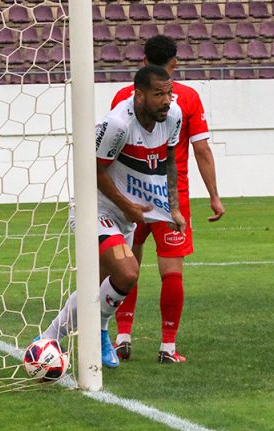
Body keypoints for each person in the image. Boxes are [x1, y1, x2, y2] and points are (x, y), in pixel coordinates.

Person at [39, 65, 185, 368]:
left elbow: (169, 160)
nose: (166, 101)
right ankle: (75, 333)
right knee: (128, 273)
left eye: (169, 93)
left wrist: (172, 207)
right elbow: (93, 170)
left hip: (125, 216)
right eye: (158, 94)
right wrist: (128, 206)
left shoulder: (173, 116)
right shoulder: (117, 124)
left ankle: (68, 335)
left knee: (100, 284)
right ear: (139, 95)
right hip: (95, 209)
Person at [110, 35, 225, 363]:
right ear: (175, 62)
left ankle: (122, 337)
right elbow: (201, 150)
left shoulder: (124, 95)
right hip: (169, 198)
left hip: (131, 196)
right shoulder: (187, 98)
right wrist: (214, 196)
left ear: (143, 61)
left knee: (126, 266)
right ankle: (168, 347)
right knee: (171, 271)